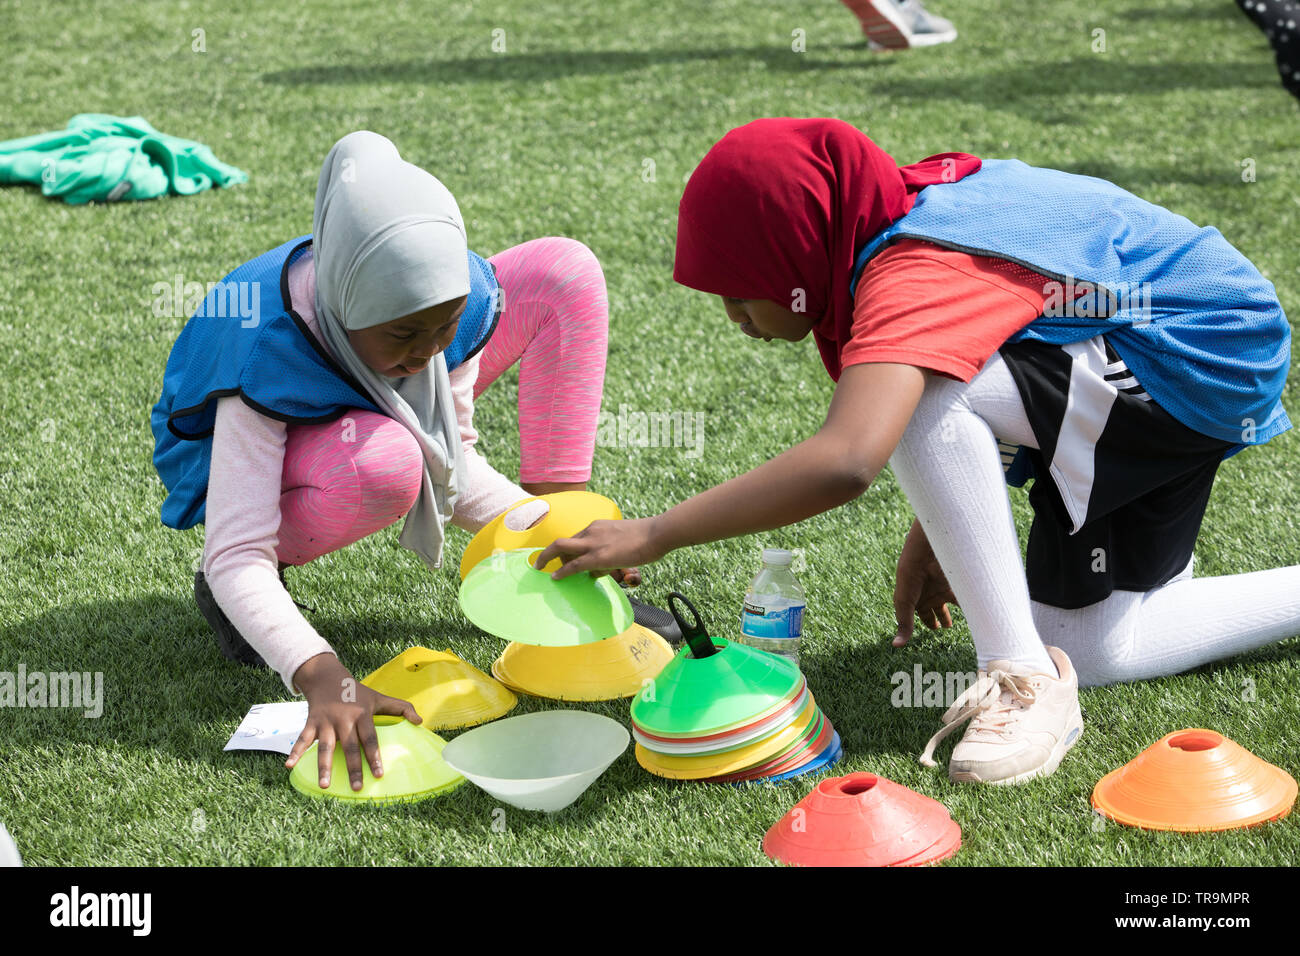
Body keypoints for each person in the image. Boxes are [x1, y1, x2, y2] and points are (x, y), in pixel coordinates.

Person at [535, 118, 1299, 786]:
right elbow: (1009, 330)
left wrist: (652, 533)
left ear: (802, 247)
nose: (734, 314)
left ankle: (1017, 675)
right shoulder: (891, 214)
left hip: (1196, 354)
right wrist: (943, 526)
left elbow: (848, 459)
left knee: (925, 393)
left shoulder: (911, 269)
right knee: (1093, 652)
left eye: (744, 288)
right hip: (1172, 344)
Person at [151, 131, 611, 791]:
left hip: (357, 400)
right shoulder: (266, 351)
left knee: (562, 269)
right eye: (403, 334)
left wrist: (551, 534)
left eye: (444, 329)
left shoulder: (454, 304)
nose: (426, 353)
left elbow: (452, 461)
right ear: (344, 299)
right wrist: (321, 674)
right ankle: (246, 607)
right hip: (228, 451)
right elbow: (235, 551)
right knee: (387, 464)